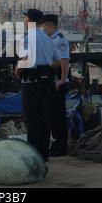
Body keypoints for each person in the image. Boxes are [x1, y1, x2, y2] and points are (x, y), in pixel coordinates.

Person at [14, 9, 60, 161]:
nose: (25, 21)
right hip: (46, 83)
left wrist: (17, 71)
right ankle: (44, 154)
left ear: (30, 21)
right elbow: (57, 61)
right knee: (44, 118)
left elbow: (26, 58)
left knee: (32, 119)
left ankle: (33, 154)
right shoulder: (48, 39)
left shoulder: (27, 38)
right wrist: (45, 67)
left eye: (26, 18)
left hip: (30, 83)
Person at [40, 14, 71, 157]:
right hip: (51, 80)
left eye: (44, 25)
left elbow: (64, 61)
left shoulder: (60, 40)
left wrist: (63, 80)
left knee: (59, 115)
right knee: (52, 114)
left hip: (59, 80)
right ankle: (55, 144)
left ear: (50, 25)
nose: (43, 28)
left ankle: (61, 146)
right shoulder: (49, 39)